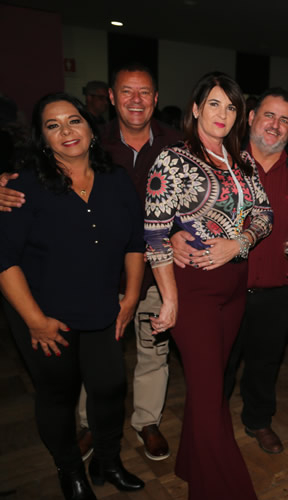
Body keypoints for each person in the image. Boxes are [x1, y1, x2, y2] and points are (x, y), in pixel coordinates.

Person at [0, 64, 180, 461]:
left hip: (149, 275)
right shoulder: (74, 150)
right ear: (112, 98)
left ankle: (145, 423)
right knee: (77, 378)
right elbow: (10, 244)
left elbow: (188, 204)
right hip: (76, 290)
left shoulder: (178, 145)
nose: (136, 100)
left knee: (144, 360)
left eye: (145, 92)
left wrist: (185, 234)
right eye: (127, 91)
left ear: (156, 98)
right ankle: (87, 432)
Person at [0, 93, 145, 500]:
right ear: (42, 138)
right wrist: (34, 321)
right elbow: (4, 259)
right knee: (58, 395)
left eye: (74, 120)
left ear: (90, 128)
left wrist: (132, 296)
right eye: (53, 125)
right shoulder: (24, 186)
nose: (66, 130)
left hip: (102, 307)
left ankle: (108, 461)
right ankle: (70, 470)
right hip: (45, 315)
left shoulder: (116, 180)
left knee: (110, 387)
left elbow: (135, 242)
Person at [143, 72, 273, 500]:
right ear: (196, 108)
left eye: (231, 107)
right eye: (214, 104)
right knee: (209, 391)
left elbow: (264, 215)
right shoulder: (174, 160)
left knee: (211, 385)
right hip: (194, 288)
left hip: (234, 286)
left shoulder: (243, 160)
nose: (223, 114)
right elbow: (155, 235)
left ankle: (189, 463)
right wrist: (170, 300)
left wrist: (239, 242)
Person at [172, 87, 288, 455]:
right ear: (251, 117)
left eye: (284, 120)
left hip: (278, 289)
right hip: (225, 288)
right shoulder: (220, 161)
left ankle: (258, 420)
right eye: (269, 115)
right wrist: (174, 233)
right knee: (216, 366)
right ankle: (212, 426)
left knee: (265, 363)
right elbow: (178, 207)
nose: (275, 125)